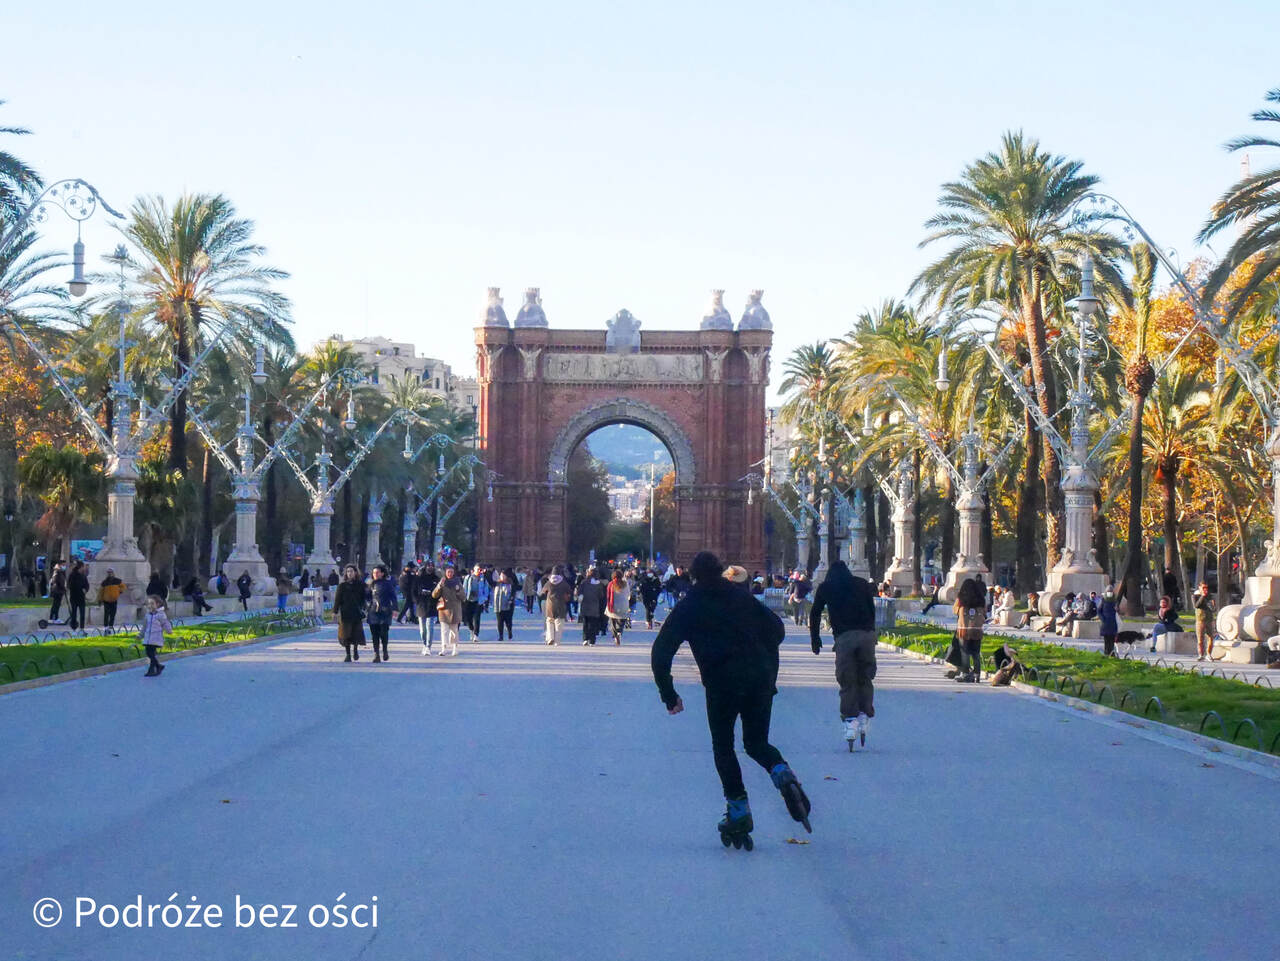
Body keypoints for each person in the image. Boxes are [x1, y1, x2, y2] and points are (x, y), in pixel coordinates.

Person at [651, 551, 811, 849]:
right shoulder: (742, 598)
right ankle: (782, 772)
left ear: (694, 576)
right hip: (759, 680)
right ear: (721, 571)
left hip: (722, 684)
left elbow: (661, 652)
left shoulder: (690, 606)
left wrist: (668, 694)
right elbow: (776, 630)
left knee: (724, 747)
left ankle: (738, 811)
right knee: (756, 743)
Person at [809, 560, 878, 745]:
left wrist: (815, 639)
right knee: (865, 677)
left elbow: (815, 613)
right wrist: (872, 633)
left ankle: (850, 721)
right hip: (866, 635)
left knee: (847, 680)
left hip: (844, 638)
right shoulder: (861, 584)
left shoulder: (826, 588)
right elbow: (872, 610)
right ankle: (864, 715)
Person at [953, 577, 985, 682]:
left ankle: (966, 673)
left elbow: (955, 610)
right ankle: (977, 674)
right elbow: (984, 612)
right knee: (976, 653)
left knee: (965, 652)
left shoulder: (961, 599)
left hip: (964, 630)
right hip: (977, 630)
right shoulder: (981, 599)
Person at [333, 565, 367, 663]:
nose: (349, 573)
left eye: (351, 571)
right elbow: (337, 600)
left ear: (355, 572)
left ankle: (355, 650)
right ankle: (348, 654)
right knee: (345, 634)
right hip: (345, 613)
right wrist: (335, 612)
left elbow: (364, 599)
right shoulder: (342, 586)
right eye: (348, 571)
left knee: (356, 633)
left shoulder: (360, 585)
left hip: (356, 613)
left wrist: (363, 608)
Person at [432, 564, 464, 656]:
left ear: (454, 573)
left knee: (454, 631)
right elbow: (434, 595)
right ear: (445, 573)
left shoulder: (457, 582)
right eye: (448, 572)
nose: (450, 574)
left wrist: (458, 590)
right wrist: (439, 586)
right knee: (444, 631)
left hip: (455, 610)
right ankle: (444, 648)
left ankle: (455, 648)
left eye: (451, 572)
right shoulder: (442, 582)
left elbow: (463, 597)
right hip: (444, 610)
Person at [366, 565, 396, 663]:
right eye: (374, 573)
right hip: (373, 611)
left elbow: (393, 596)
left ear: (382, 573)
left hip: (385, 611)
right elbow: (366, 597)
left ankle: (385, 650)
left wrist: (395, 608)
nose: (376, 574)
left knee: (383, 632)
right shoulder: (370, 584)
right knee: (374, 634)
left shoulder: (387, 584)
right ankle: (376, 654)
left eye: (378, 572)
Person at [139, 595, 172, 677]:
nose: (150, 605)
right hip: (148, 638)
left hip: (156, 638)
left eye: (152, 603)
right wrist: (140, 635)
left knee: (151, 653)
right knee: (149, 653)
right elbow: (144, 627)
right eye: (149, 604)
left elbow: (165, 623)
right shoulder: (148, 615)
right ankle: (158, 666)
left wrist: (169, 630)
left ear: (158, 604)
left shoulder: (161, 615)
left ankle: (151, 670)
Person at [540, 565, 572, 646]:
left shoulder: (549, 582)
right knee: (559, 623)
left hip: (550, 605)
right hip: (560, 605)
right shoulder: (563, 583)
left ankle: (550, 638)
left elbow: (542, 592)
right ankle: (557, 641)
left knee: (549, 622)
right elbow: (569, 592)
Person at [413, 563, 441, 654]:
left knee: (430, 627)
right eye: (428, 566)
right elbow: (413, 591)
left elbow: (439, 592)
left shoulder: (436, 579)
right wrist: (417, 600)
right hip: (421, 605)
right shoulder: (418, 579)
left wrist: (434, 597)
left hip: (431, 605)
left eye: (432, 566)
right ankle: (424, 643)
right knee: (422, 629)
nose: (430, 567)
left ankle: (428, 646)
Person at [461, 564, 490, 642]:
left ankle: (476, 635)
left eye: (480, 570)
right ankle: (471, 630)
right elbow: (464, 588)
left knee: (476, 618)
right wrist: (464, 597)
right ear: (474, 570)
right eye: (477, 569)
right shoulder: (468, 578)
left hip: (478, 601)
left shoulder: (483, 579)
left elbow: (486, 590)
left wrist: (484, 599)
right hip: (468, 600)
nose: (479, 571)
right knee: (467, 618)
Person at [577, 569, 604, 646]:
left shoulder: (584, 582)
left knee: (585, 623)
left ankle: (585, 639)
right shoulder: (599, 584)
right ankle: (592, 641)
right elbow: (601, 596)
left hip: (585, 605)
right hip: (594, 606)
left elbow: (579, 592)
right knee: (593, 624)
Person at [604, 568, 631, 645]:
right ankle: (619, 631)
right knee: (621, 620)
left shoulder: (611, 584)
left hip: (613, 606)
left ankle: (615, 634)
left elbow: (608, 596)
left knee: (612, 621)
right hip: (624, 606)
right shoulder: (625, 584)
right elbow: (628, 594)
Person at [1193, 582, 1216, 660]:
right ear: (1199, 588)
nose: (1205, 589)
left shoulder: (1210, 596)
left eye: (1206, 588)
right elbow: (1196, 605)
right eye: (1203, 588)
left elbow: (1213, 608)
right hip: (1200, 620)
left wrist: (1212, 604)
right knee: (1200, 639)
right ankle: (1201, 654)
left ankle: (1209, 654)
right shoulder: (1195, 596)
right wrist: (1202, 596)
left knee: (1211, 637)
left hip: (1209, 619)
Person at [492, 569, 517, 640]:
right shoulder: (497, 583)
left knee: (508, 621)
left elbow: (513, 593)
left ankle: (509, 631)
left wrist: (511, 599)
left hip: (508, 605)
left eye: (503, 575)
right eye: (501, 575)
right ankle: (501, 635)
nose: (501, 577)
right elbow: (490, 582)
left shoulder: (511, 585)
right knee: (500, 621)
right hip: (498, 605)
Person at [66, 560, 90, 629]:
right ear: (81, 567)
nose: (84, 568)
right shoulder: (72, 575)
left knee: (82, 614)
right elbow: (70, 585)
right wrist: (80, 588)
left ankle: (82, 629)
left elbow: (87, 585)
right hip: (74, 597)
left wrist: (86, 589)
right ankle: (74, 628)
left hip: (81, 598)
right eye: (83, 567)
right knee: (74, 614)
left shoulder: (83, 575)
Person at [1098, 588, 1120, 656]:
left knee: (1112, 639)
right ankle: (1106, 653)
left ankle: (1112, 653)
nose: (1110, 593)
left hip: (1113, 622)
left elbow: (1118, 611)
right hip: (1105, 622)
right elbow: (1099, 611)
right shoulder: (1103, 600)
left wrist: (1117, 609)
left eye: (1111, 591)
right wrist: (1102, 618)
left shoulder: (1115, 600)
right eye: (1108, 591)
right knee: (1106, 639)